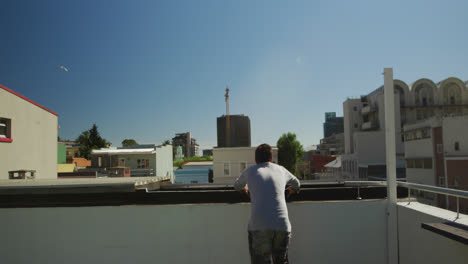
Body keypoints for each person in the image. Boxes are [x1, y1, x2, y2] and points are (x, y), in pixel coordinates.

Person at [234, 143, 300, 264]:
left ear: (255, 160)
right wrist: (293, 189)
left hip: (259, 226)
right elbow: (297, 183)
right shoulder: (281, 169)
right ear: (271, 159)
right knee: (281, 261)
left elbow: (237, 185)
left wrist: (244, 188)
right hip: (282, 226)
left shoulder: (250, 170)